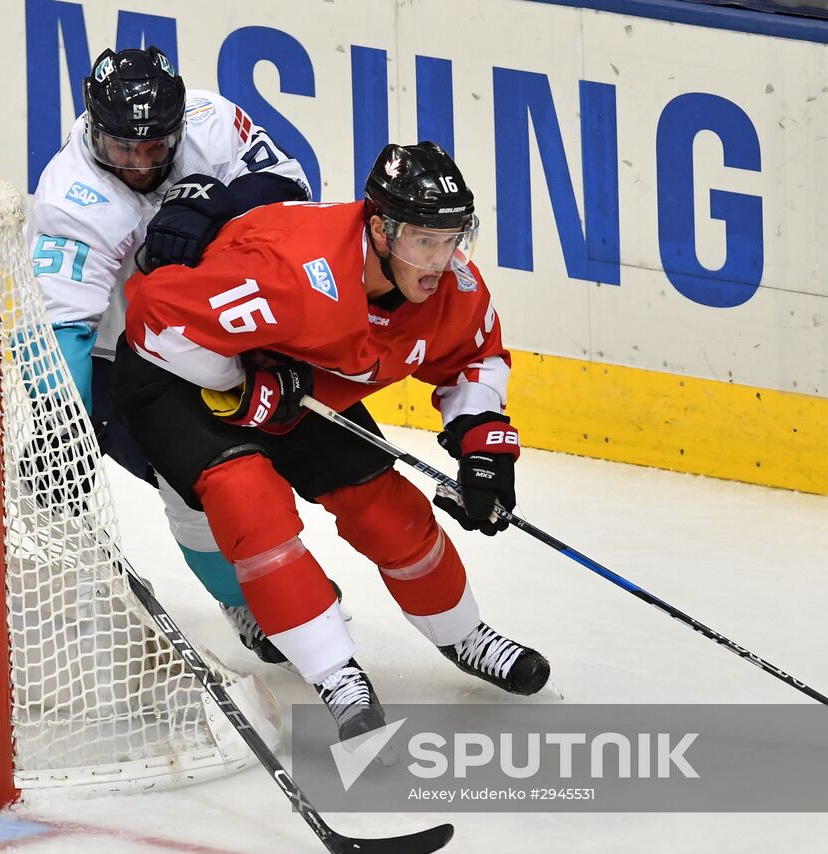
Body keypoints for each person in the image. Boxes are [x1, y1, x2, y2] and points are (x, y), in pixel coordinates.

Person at [113, 142, 551, 742]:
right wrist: (246, 381)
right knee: (253, 503)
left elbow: (475, 357)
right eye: (423, 240)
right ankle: (334, 670)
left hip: (296, 379)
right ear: (379, 229)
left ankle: (464, 634)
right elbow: (156, 318)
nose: (439, 260)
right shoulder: (293, 271)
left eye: (451, 240)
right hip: (179, 374)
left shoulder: (451, 287)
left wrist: (486, 448)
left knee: (386, 507)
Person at [27, 46, 311, 664]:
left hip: (223, 331)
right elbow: (60, 333)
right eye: (121, 148)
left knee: (282, 461)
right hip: (120, 360)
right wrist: (59, 429)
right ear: (94, 127)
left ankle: (288, 577)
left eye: (156, 148)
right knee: (189, 487)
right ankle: (242, 600)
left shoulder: (211, 119)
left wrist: (209, 199)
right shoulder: (69, 201)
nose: (137, 164)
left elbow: (293, 190)